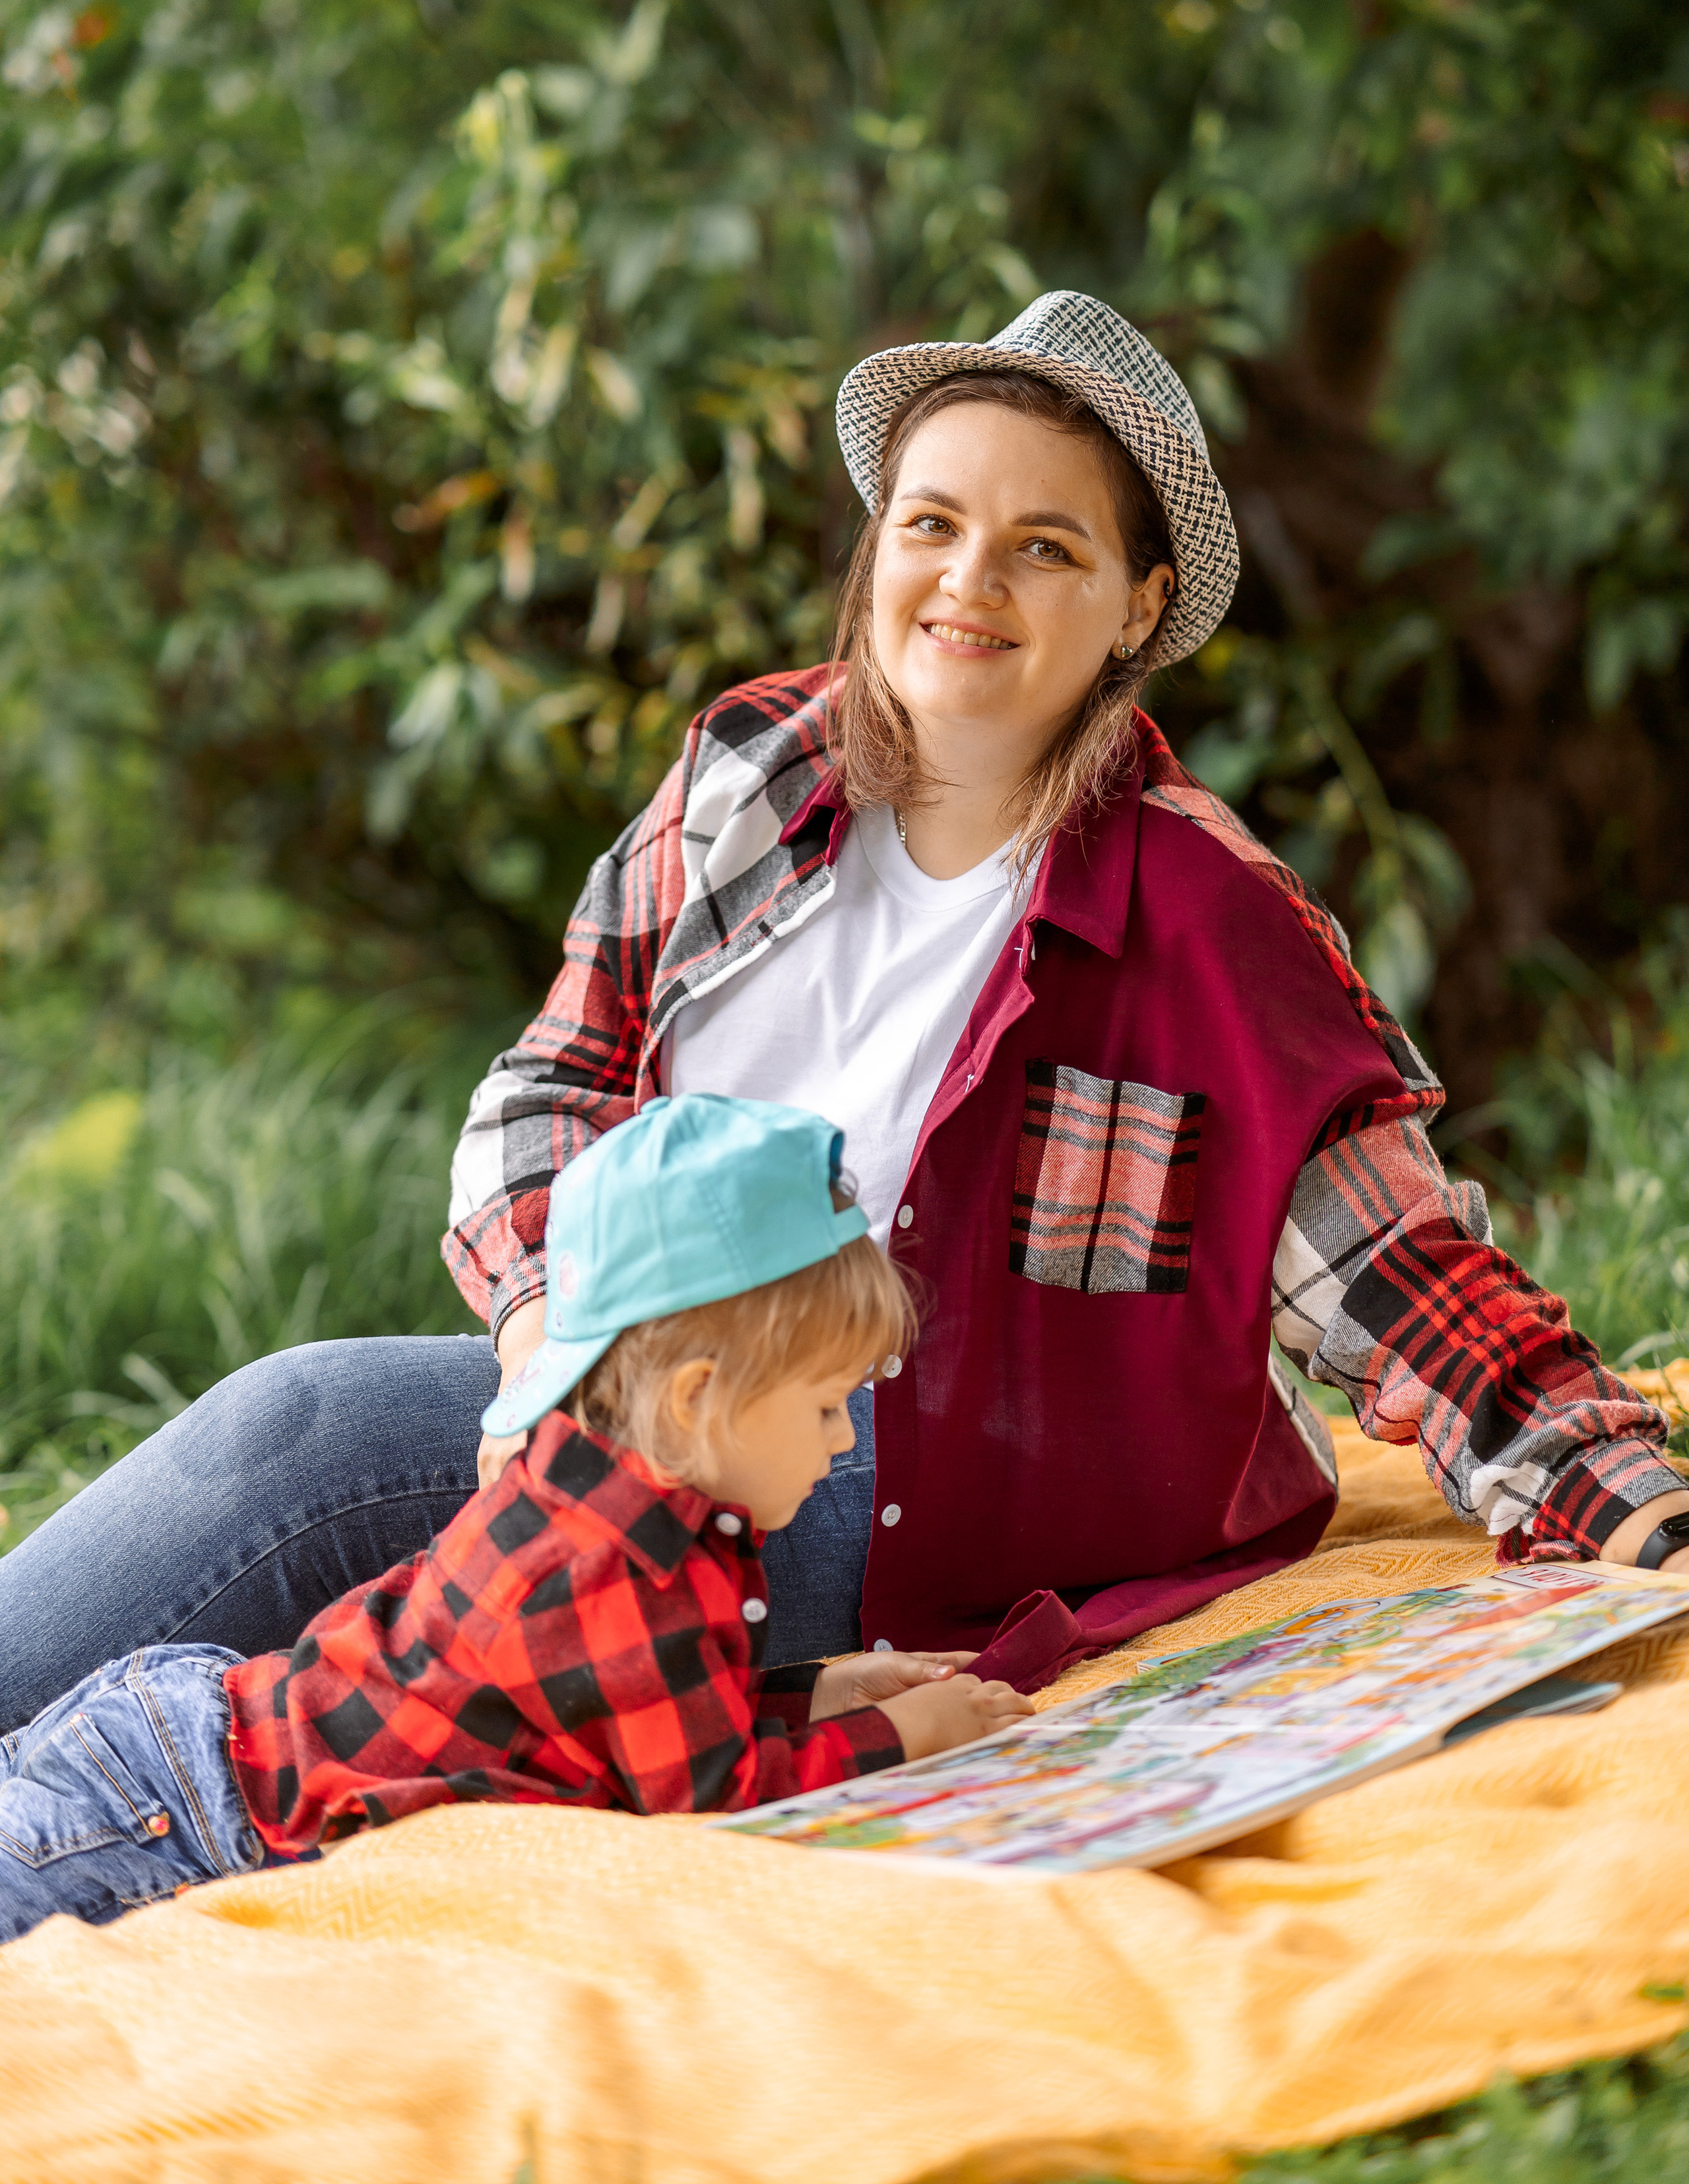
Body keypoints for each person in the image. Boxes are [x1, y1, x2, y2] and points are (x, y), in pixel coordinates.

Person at [2, 290, 1684, 1735]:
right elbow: (551, 1088)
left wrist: (1631, 1508)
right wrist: (553, 1350)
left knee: (313, 1444)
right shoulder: (754, 775)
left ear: (1137, 607)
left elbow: (1415, 1287)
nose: (970, 582)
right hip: (641, 1398)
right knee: (319, 1645)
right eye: (932, 524)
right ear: (877, 542)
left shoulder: (1212, 924)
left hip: (900, 1496)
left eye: (1047, 547)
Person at [0, 1098, 1030, 1945]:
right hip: (179, 1817)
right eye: (822, 1408)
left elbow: (619, 1720)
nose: (844, 1446)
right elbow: (706, 1802)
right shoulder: (617, 1560)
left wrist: (811, 1696)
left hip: (192, 1735)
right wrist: (899, 1736)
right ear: (696, 1399)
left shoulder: (612, 1493)